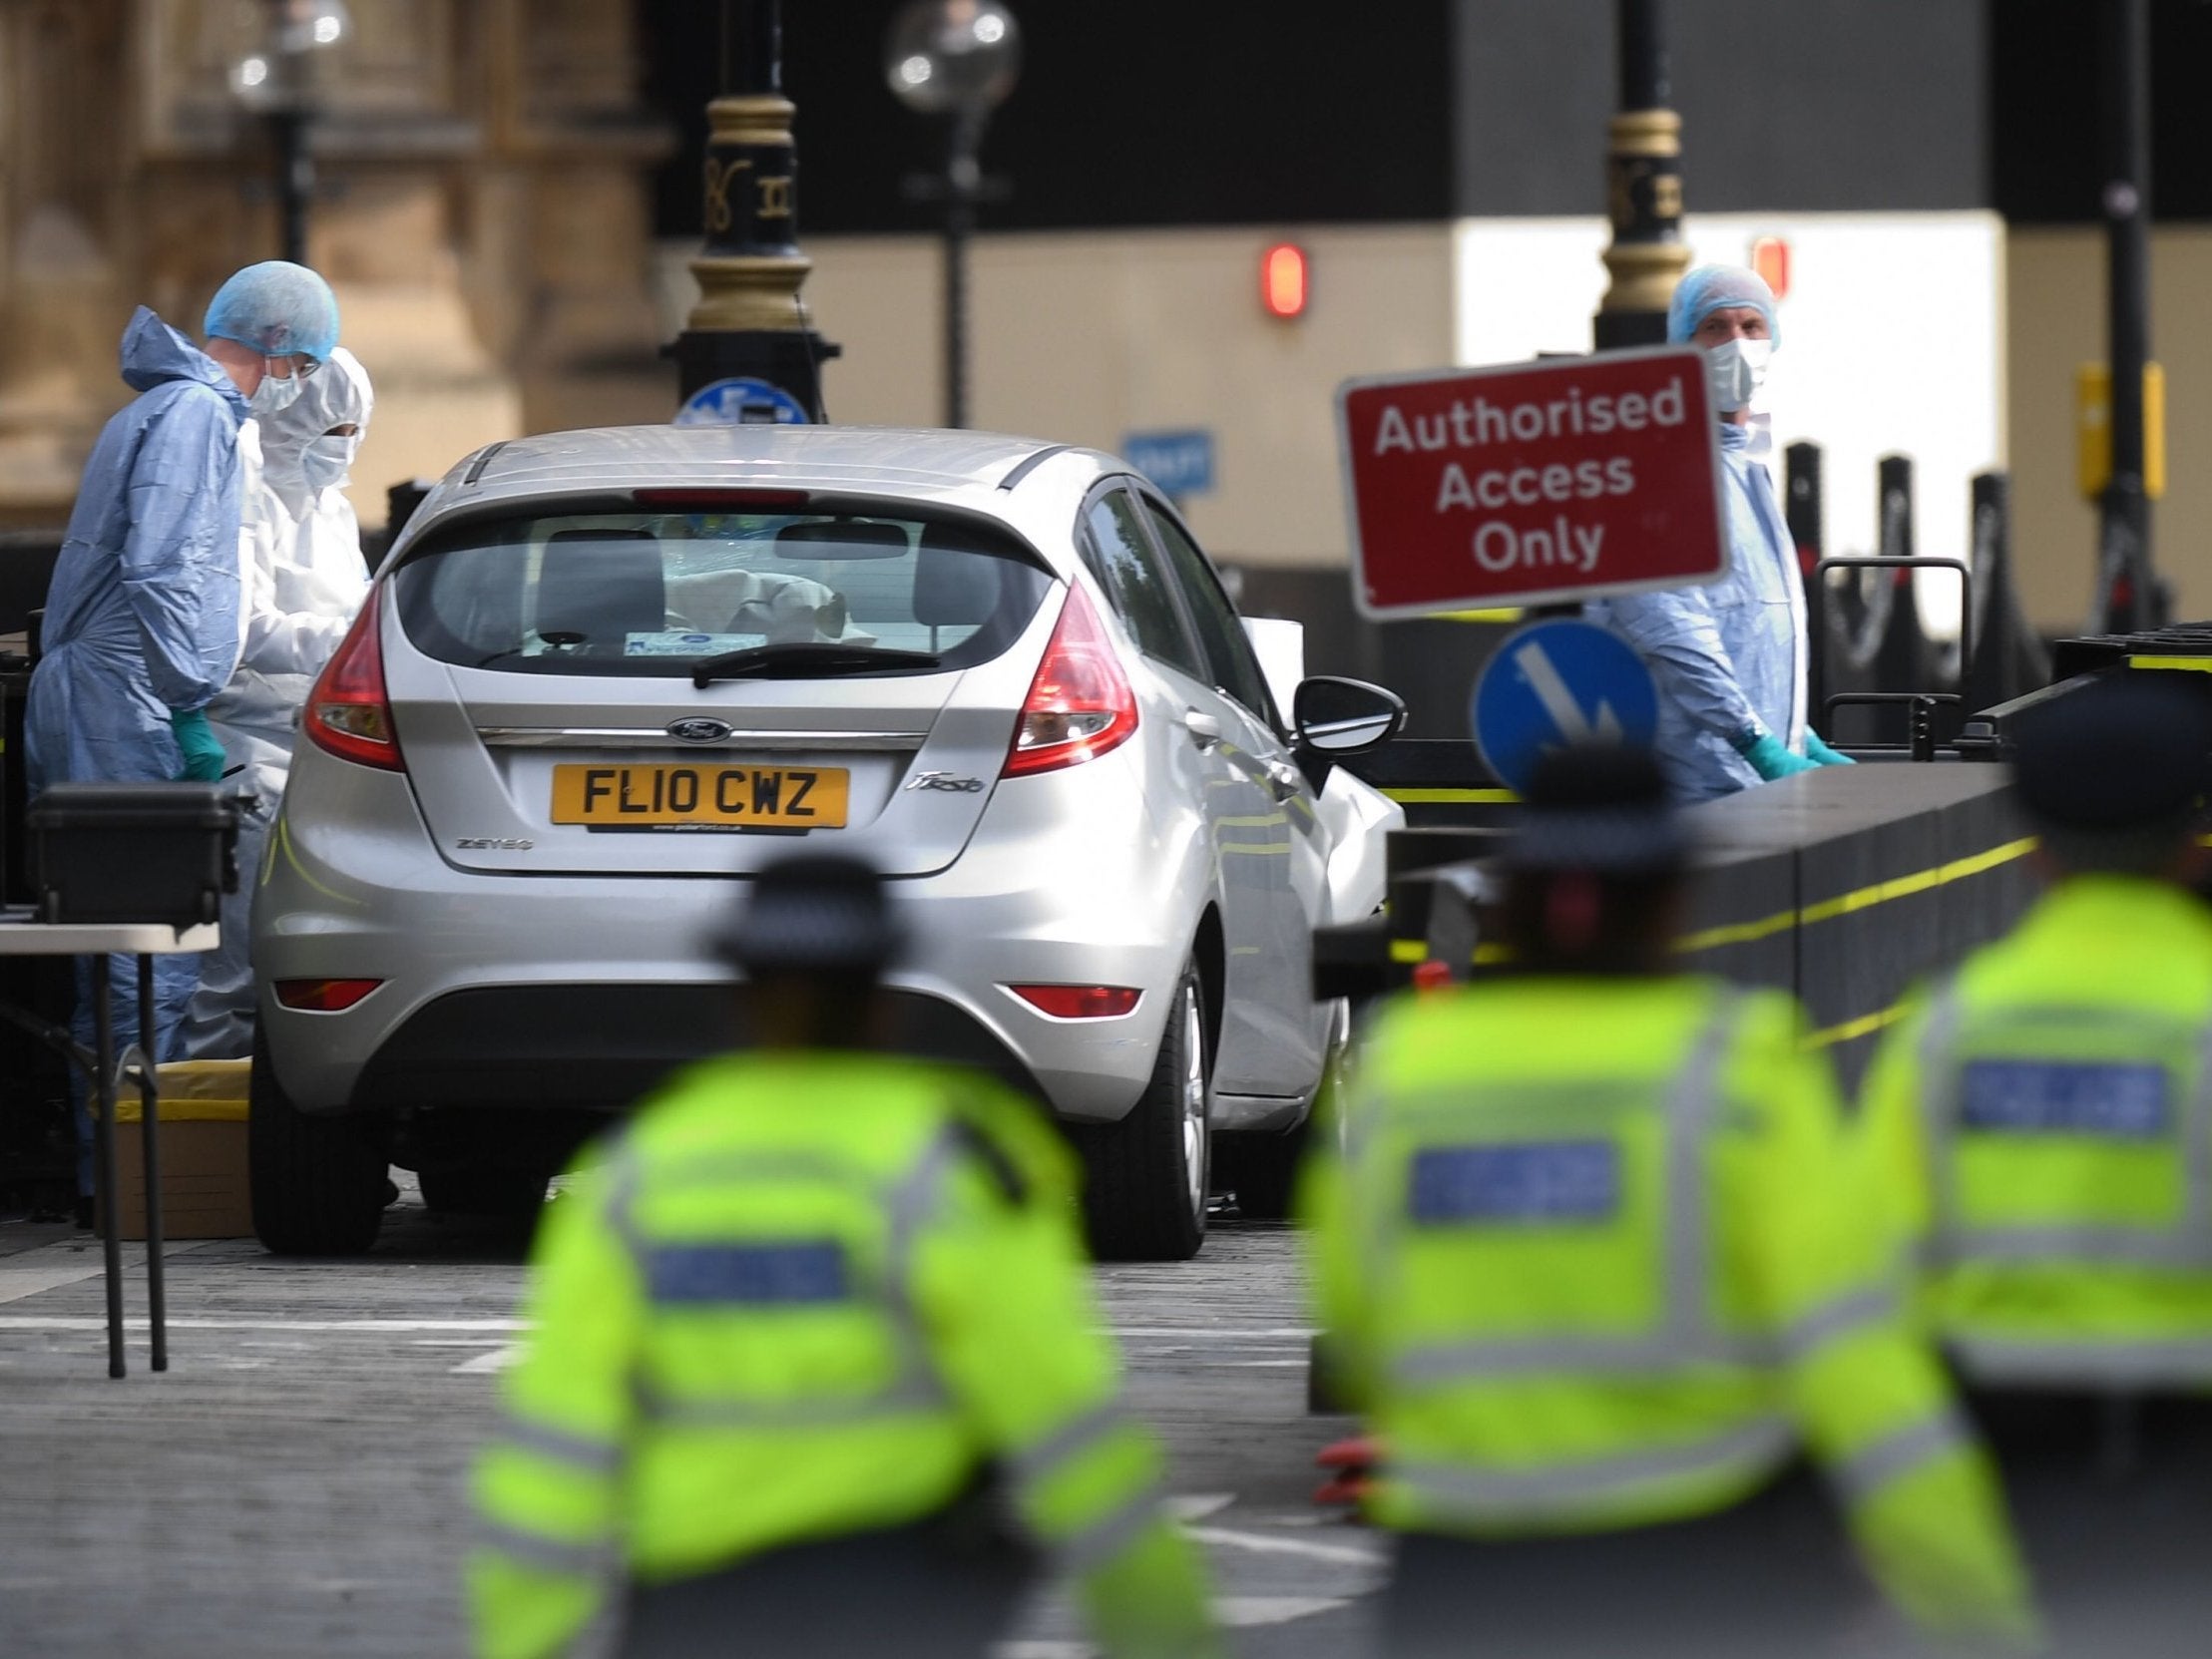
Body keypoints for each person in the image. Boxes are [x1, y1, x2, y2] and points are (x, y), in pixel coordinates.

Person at [1297, 745, 2035, 1658]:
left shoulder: (1402, 1078)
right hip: (1696, 1568)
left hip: (1458, 1575)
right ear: (1672, 897)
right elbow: (1852, 1359)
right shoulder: (1735, 1072)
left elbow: (1358, 1327)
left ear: (1514, 894)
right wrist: (1974, 1599)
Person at [470, 853, 1221, 1659]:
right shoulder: (954, 1163)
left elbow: (551, 1452)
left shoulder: (638, 1171)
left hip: (692, 1603)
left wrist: (524, 1639)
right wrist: (1162, 1629)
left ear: (743, 993)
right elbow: (1066, 1422)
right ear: (882, 997)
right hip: (898, 1599)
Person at [1857, 671, 2212, 1656]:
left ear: (2038, 854)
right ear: (2192, 841)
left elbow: (1866, 1285)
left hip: (1993, 1463)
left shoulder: (1948, 1029)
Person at [25, 259, 340, 1211]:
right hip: (125, 698)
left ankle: (109, 1173)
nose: (301, 383)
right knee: (152, 947)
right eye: (307, 362)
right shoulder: (198, 418)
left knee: (117, 948)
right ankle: (145, 1188)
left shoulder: (158, 410)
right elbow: (168, 570)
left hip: (107, 692)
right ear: (284, 349)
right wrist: (187, 699)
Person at [1589, 265, 1852, 801]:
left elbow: (1753, 623)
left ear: (1773, 339)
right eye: (1714, 327)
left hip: (1746, 783)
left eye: (1751, 326)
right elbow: (1673, 629)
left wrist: (1794, 730)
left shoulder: (1744, 458)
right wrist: (1756, 741)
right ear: (1680, 345)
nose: (1736, 343)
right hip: (1694, 784)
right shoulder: (1657, 465)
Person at [182, 345, 375, 1060]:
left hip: (319, 761)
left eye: (355, 431)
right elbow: (243, 633)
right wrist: (354, 643)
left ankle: (279, 1159)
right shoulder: (244, 498)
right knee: (226, 978)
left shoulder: (334, 514)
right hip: (249, 756)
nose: (344, 449)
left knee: (297, 976)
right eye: (332, 430)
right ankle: (204, 1158)